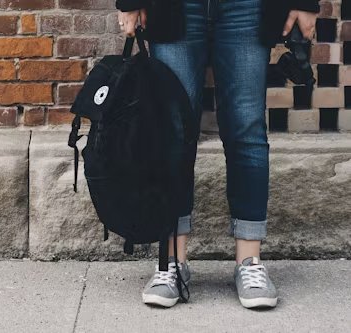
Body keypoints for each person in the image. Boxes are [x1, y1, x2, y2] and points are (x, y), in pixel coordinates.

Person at [116, 0, 319, 309]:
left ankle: (249, 262)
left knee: (247, 128)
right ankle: (170, 262)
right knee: (174, 131)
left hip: (248, 7)